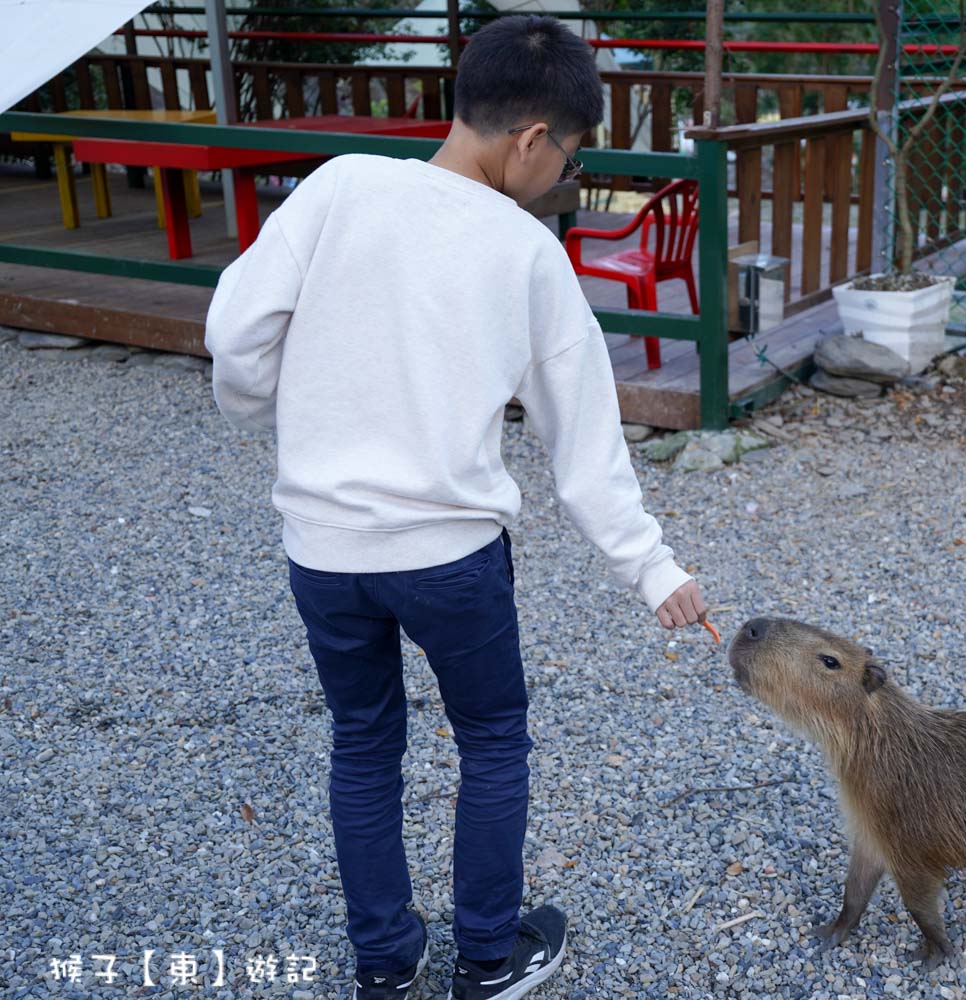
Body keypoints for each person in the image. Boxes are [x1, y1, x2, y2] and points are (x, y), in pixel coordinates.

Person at [204, 15, 707, 1000]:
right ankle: (487, 955)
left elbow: (237, 331)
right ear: (531, 140)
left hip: (322, 546)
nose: (559, 175)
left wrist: (261, 408)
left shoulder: (342, 186)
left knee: (364, 741)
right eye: (565, 156)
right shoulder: (526, 257)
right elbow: (585, 449)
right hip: (449, 557)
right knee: (490, 740)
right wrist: (654, 570)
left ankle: (385, 967)